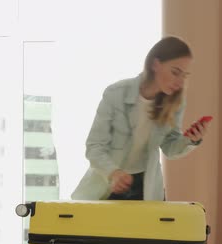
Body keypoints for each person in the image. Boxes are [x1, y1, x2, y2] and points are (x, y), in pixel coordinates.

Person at [71, 36, 209, 201]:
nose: (180, 82)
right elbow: (94, 147)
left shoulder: (176, 103)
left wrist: (190, 140)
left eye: (184, 75)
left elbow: (170, 148)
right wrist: (114, 173)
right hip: (108, 183)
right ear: (155, 64)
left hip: (146, 187)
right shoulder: (116, 93)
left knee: (154, 226)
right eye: (175, 72)